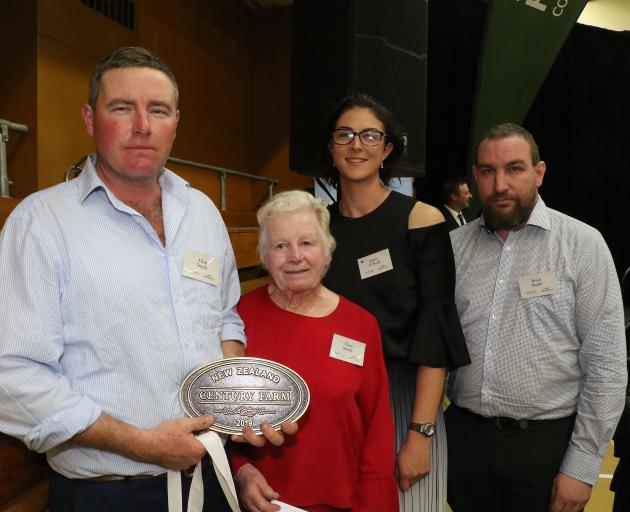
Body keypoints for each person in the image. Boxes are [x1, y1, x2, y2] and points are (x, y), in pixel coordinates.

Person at [0, 46, 292, 512]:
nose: (142, 125)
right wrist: (142, 443)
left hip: (209, 475)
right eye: (121, 108)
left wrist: (238, 405)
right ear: (90, 119)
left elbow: (223, 320)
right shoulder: (42, 222)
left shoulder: (200, 212)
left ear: (175, 122)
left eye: (157, 110)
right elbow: (12, 377)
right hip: (107, 493)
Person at [446, 122, 627, 512]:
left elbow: (607, 366)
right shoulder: (453, 249)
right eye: (488, 171)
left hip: (545, 448)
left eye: (514, 169)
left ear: (538, 173)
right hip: (464, 443)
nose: (500, 185)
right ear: (476, 176)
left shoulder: (582, 245)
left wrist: (581, 467)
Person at [320, 94, 470, 512]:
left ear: (387, 149)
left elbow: (435, 330)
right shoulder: (317, 229)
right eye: (345, 134)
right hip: (334, 401)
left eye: (370, 136)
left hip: (403, 399)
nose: (356, 145)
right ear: (331, 149)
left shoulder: (419, 219)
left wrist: (419, 434)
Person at [231, 190, 399, 512]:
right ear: (264, 256)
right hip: (261, 503)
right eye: (281, 246)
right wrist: (240, 471)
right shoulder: (239, 318)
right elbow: (219, 413)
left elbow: (377, 432)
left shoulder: (361, 325)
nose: (295, 256)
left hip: (342, 503)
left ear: (327, 253)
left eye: (307, 243)